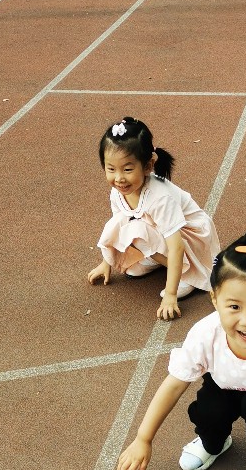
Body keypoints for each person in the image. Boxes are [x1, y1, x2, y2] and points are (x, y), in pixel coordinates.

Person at [117, 233, 246, 470]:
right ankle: (214, 442)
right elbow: (173, 386)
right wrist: (143, 438)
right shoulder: (205, 334)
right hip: (222, 385)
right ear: (214, 299)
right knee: (210, 410)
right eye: (234, 306)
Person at [89, 117, 220, 322]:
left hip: (191, 239)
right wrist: (107, 262)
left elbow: (176, 246)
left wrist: (170, 295)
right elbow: (116, 228)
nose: (119, 178)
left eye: (128, 169)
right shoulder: (118, 192)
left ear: (148, 165)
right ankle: (155, 257)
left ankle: (188, 274)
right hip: (163, 232)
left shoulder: (160, 197)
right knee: (123, 225)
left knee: (135, 230)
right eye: (111, 169)